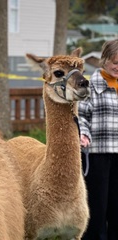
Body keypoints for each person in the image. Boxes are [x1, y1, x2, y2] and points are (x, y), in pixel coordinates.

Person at [79, 39, 118, 240]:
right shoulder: (91, 85)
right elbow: (82, 116)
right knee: (97, 205)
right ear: (104, 60)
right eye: (116, 62)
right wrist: (83, 134)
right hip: (98, 155)